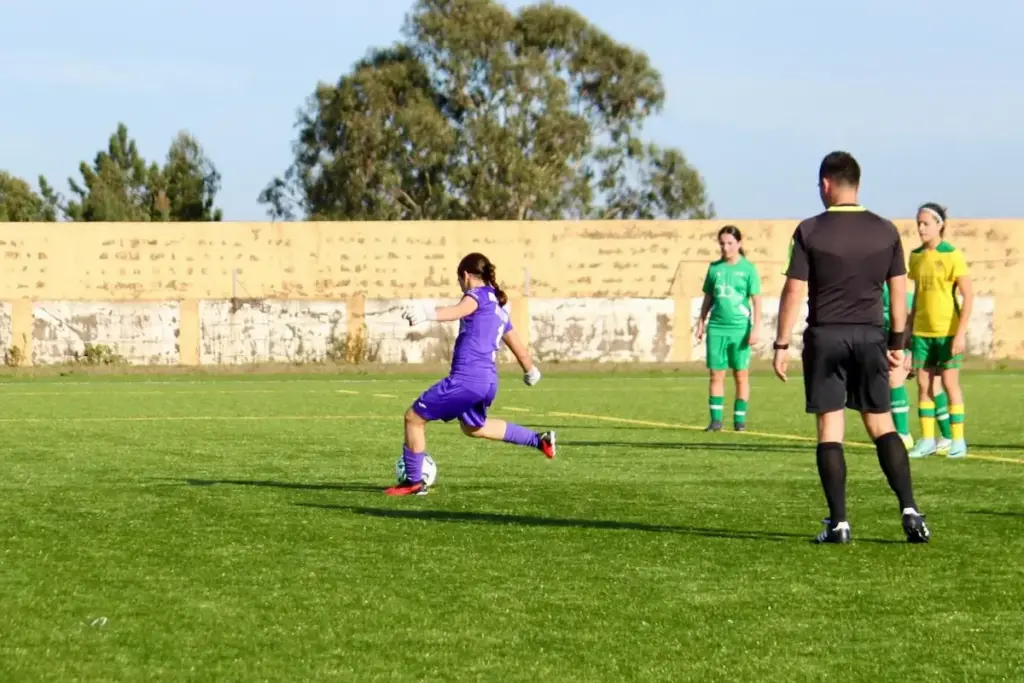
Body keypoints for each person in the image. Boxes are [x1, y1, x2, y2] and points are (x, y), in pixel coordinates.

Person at [773, 150, 930, 544]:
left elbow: (794, 289)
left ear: (827, 184)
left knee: (831, 427)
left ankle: (839, 523)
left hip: (826, 336)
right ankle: (910, 511)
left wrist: (781, 342)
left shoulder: (809, 230)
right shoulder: (886, 231)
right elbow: (899, 291)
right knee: (881, 424)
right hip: (870, 336)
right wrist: (898, 343)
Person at [386, 252, 556, 496]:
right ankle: (539, 440)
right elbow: (518, 347)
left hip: (467, 379)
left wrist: (426, 313)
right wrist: (531, 371)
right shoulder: (499, 310)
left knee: (414, 418)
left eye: (459, 280)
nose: (460, 286)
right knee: (474, 428)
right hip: (488, 382)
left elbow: (458, 310)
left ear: (465, 276)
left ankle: (413, 482)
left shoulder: (477, 295)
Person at [906, 203, 972, 459]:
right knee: (923, 386)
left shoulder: (952, 255)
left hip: (947, 332)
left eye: (926, 223)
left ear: (939, 225)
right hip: (922, 334)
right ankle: (927, 440)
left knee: (949, 383)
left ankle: (958, 441)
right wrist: (909, 329)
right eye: (918, 223)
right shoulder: (916, 256)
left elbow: (968, 296)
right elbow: (918, 295)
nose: (921, 228)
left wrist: (960, 333)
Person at [695, 226, 762, 431]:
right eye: (722, 243)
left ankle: (739, 421)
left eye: (730, 243)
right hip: (717, 328)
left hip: (740, 329)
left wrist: (756, 328)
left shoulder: (748, 269)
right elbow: (708, 298)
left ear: (739, 244)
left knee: (741, 375)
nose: (725, 247)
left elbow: (757, 301)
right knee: (716, 374)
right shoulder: (714, 269)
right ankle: (716, 421)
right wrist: (701, 322)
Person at [884, 281, 953, 451]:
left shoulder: (891, 292)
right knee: (895, 382)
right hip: (895, 346)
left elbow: (912, 320)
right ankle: (904, 434)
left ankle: (946, 437)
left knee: (931, 386)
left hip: (919, 344)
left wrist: (912, 350)